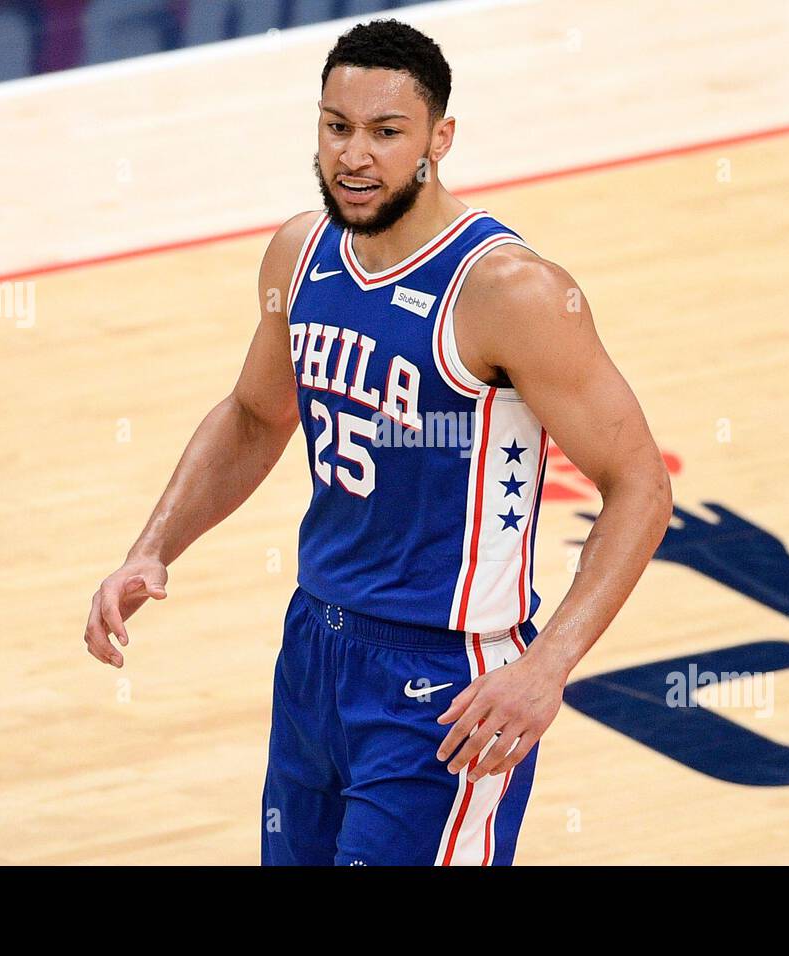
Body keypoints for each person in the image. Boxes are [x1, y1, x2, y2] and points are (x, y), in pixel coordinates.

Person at [83, 18, 672, 866]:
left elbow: (640, 484)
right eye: (337, 127)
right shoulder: (302, 250)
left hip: (445, 681)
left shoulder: (510, 292)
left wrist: (547, 667)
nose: (355, 156)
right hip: (314, 652)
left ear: (441, 138)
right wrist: (153, 547)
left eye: (386, 133)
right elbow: (255, 415)